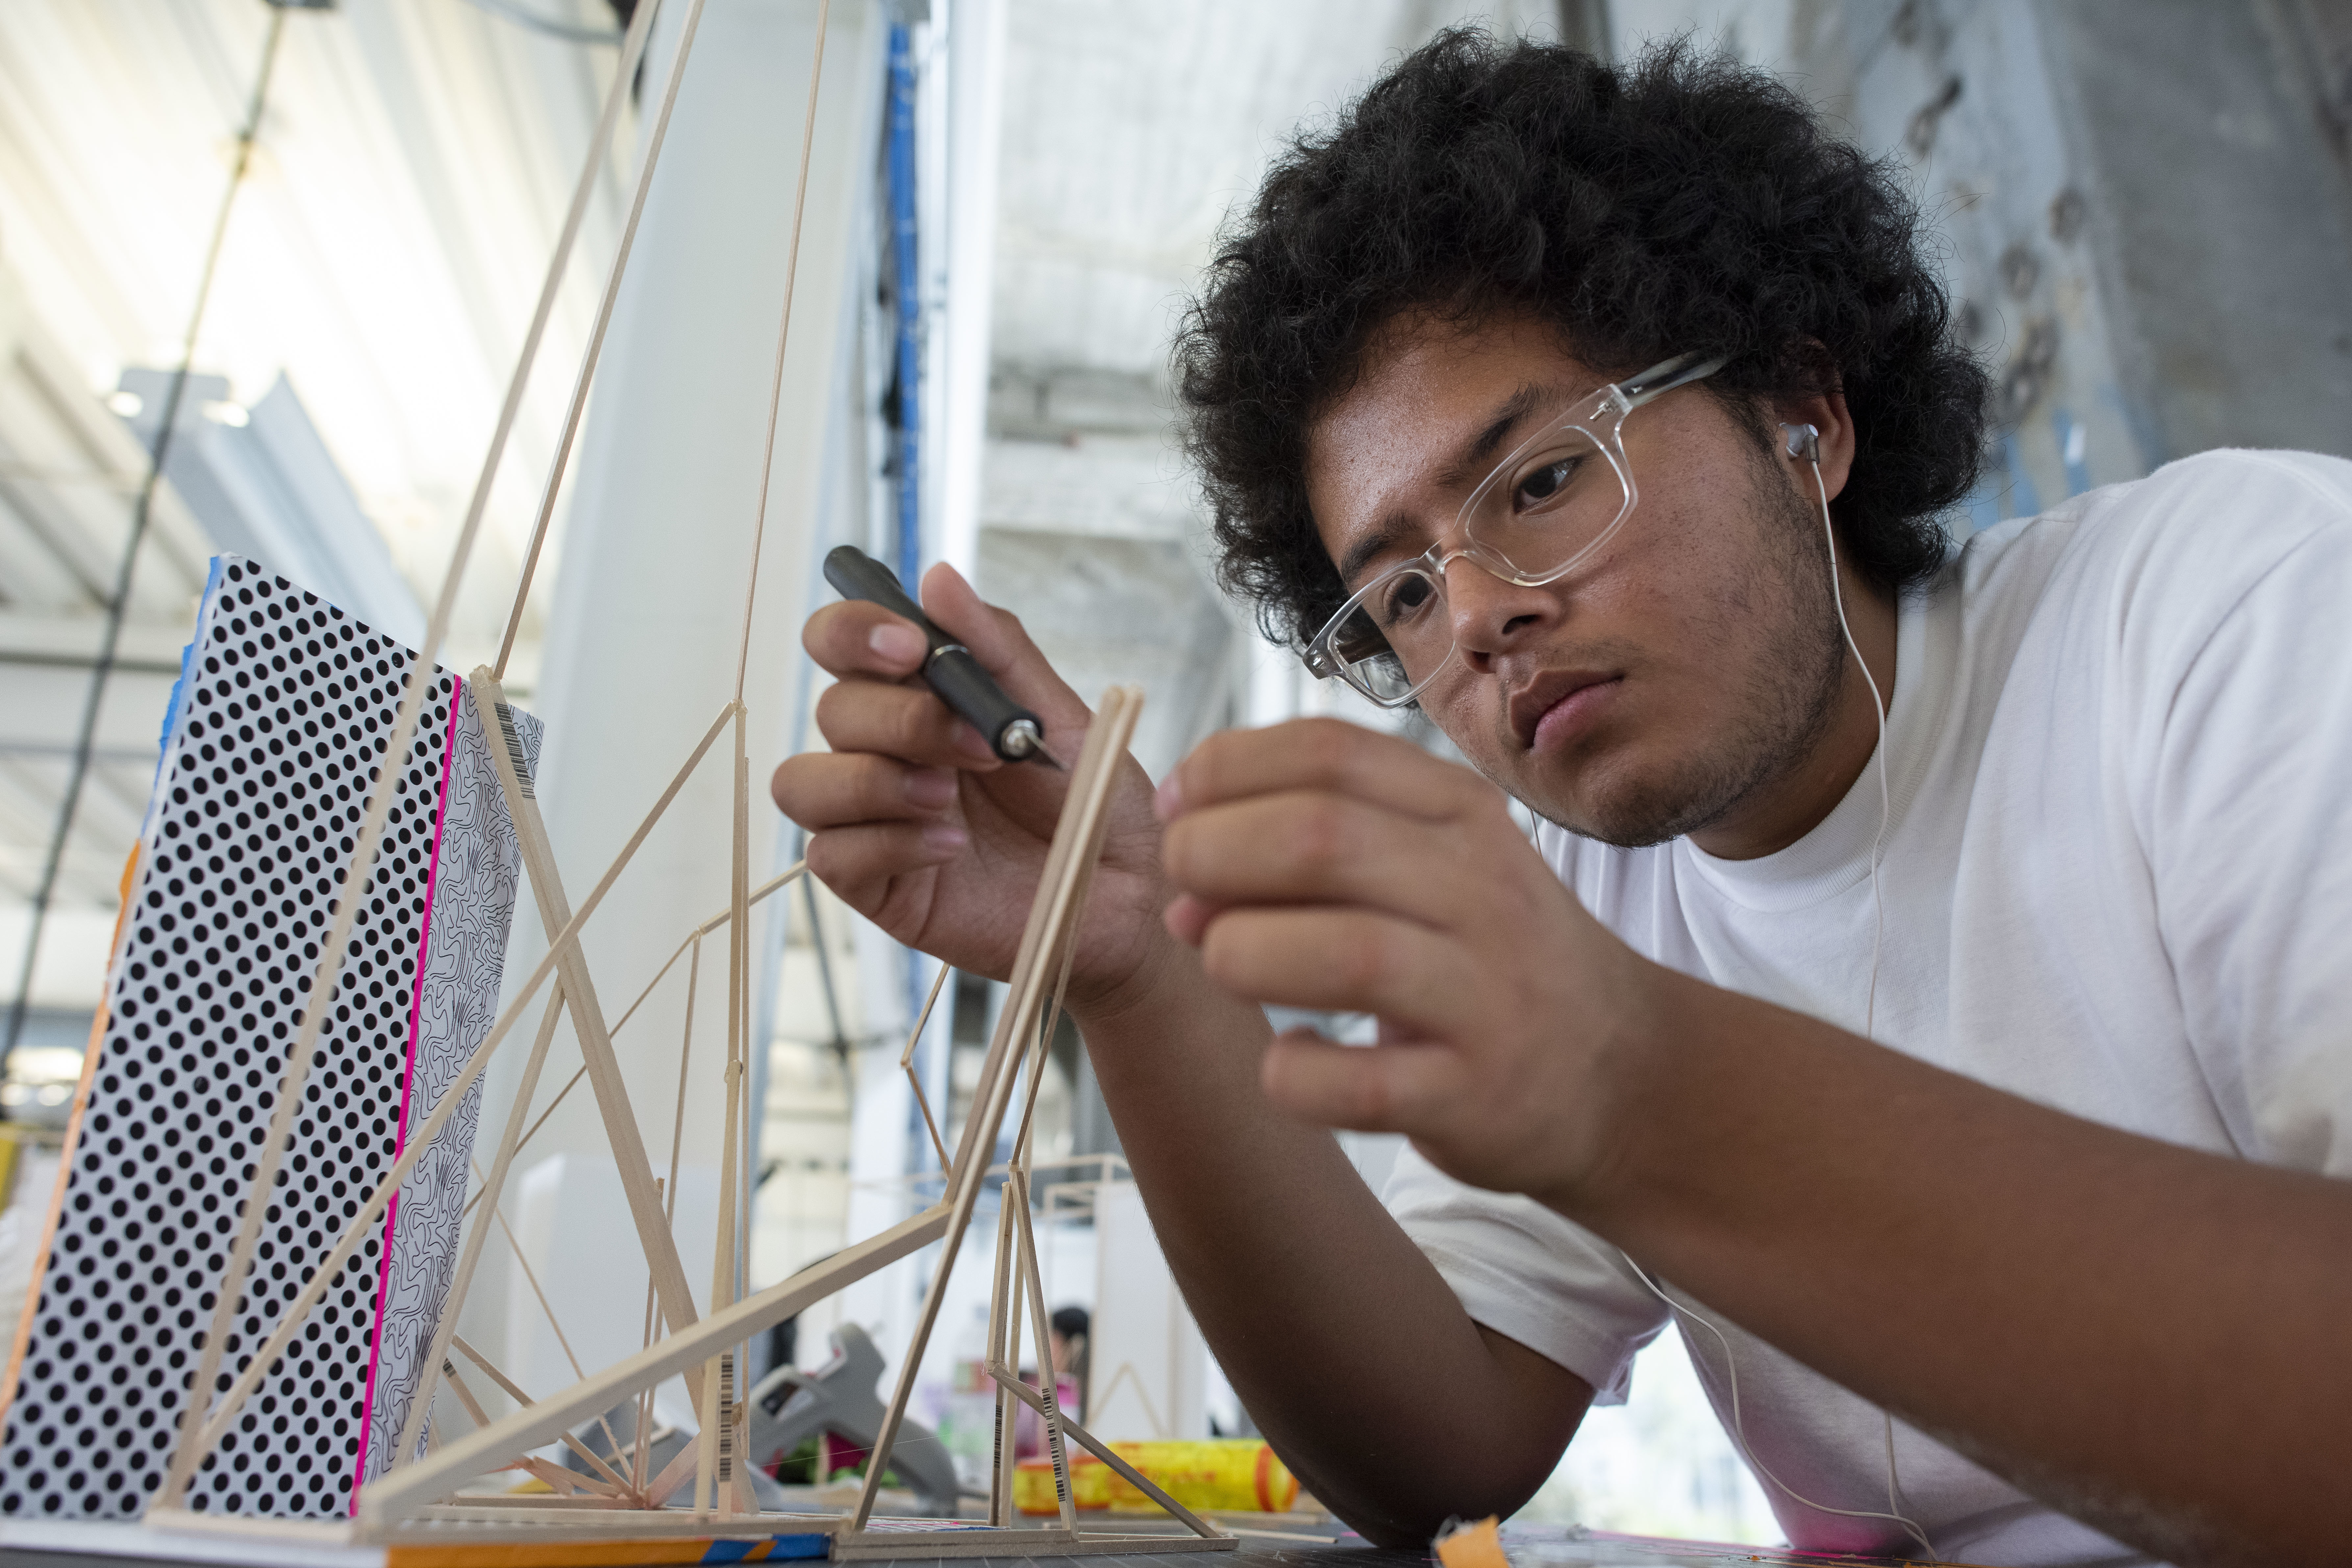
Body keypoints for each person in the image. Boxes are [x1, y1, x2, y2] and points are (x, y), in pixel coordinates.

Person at [773, 32, 2352, 1566]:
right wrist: (1128, 952)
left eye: (1539, 482)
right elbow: (1436, 1448)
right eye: (1395, 593)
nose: (1473, 618)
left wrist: (1634, 1082)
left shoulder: (2226, 615)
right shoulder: (1584, 893)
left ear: (1806, 412)